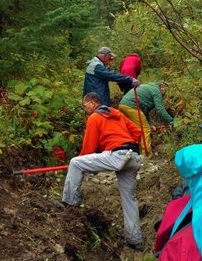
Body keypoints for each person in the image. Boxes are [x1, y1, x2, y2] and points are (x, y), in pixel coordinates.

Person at [62, 92, 144, 250]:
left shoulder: (94, 117)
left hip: (117, 155)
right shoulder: (118, 114)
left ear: (93, 103)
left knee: (75, 163)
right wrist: (128, 145)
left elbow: (88, 148)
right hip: (133, 156)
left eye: (85, 105)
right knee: (129, 199)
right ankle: (135, 240)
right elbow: (137, 133)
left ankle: (69, 203)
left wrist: (84, 163)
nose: (85, 109)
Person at [119, 81, 173, 157]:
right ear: (162, 86)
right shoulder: (156, 90)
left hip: (123, 105)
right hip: (131, 106)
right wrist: (171, 121)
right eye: (164, 90)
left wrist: (151, 124)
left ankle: (137, 151)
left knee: (135, 129)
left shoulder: (149, 88)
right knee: (145, 129)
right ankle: (147, 154)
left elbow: (145, 111)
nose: (164, 93)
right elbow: (160, 109)